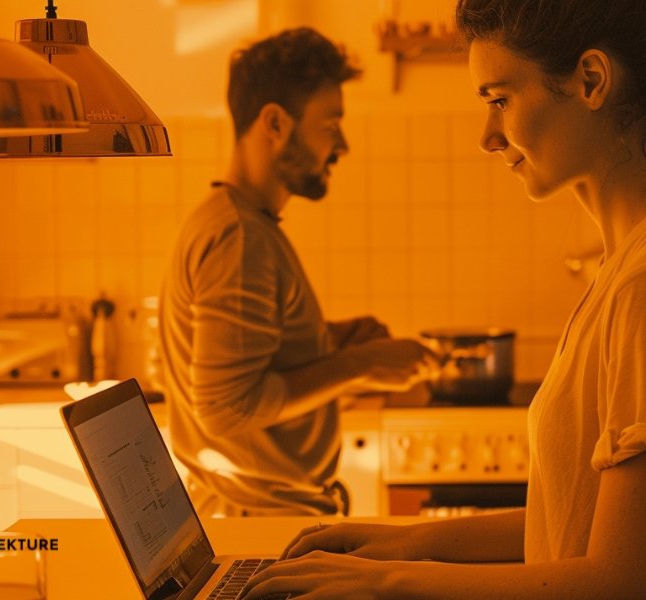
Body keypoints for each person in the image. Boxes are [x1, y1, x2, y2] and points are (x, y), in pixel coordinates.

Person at [243, 0, 646, 598]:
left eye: (500, 100)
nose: (488, 137)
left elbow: (626, 581)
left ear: (591, 80)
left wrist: (388, 582)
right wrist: (407, 543)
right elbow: (582, 530)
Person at [159, 27, 438, 518]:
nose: (343, 145)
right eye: (331, 124)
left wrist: (327, 341)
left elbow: (253, 356)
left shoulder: (242, 225)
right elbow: (229, 408)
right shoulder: (239, 239)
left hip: (256, 513)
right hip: (256, 518)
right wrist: (362, 364)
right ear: (275, 124)